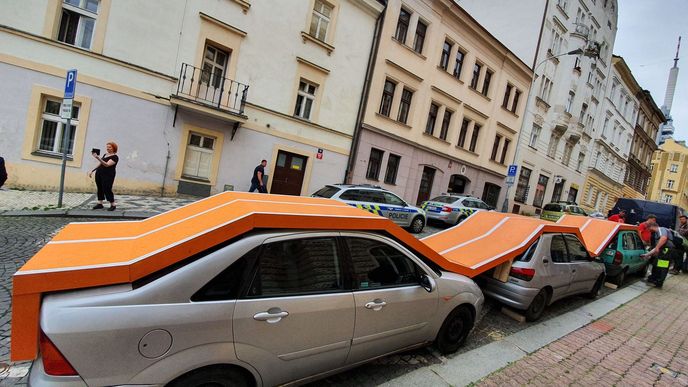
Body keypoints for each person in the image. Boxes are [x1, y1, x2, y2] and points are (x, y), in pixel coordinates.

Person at [642, 223, 681, 288]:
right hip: (665, 250)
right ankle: (654, 280)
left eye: (648, 229)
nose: (648, 230)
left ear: (651, 226)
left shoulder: (661, 229)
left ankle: (658, 282)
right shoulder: (659, 232)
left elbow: (664, 238)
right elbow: (657, 247)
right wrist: (647, 254)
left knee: (661, 267)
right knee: (657, 265)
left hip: (666, 251)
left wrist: (657, 248)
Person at [88, 142, 119, 211]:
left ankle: (113, 204)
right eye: (107, 147)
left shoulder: (115, 157)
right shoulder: (105, 155)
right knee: (100, 188)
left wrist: (97, 157)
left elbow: (107, 165)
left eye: (110, 147)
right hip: (99, 173)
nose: (108, 148)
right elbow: (100, 164)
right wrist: (92, 170)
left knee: (107, 188)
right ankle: (100, 204)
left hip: (108, 175)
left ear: (114, 148)